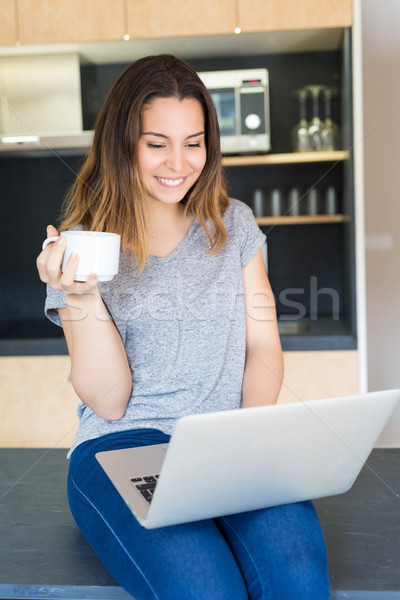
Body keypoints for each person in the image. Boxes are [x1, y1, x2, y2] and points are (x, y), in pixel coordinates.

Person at [36, 54, 331, 600]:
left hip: (225, 442)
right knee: (204, 589)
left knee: (299, 579)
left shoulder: (233, 223)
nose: (179, 162)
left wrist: (245, 437)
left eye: (193, 142)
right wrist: (81, 295)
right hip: (126, 445)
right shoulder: (81, 247)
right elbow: (109, 401)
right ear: (122, 144)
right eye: (157, 143)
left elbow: (262, 342)